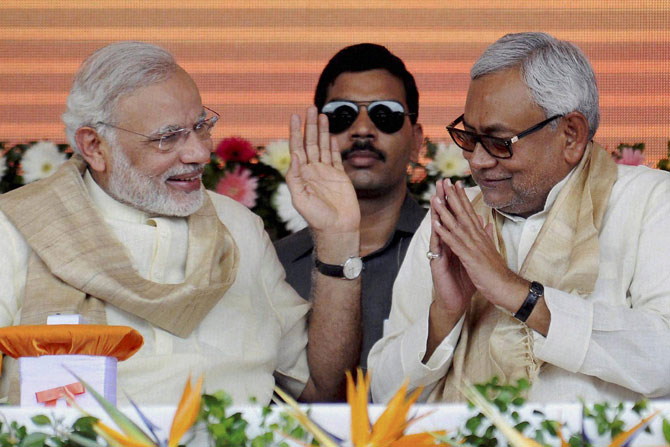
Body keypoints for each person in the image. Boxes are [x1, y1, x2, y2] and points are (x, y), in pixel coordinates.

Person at [0, 41, 361, 405]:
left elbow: (324, 389)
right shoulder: (17, 230)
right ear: (94, 146)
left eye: (201, 126)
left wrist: (338, 237)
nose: (200, 153)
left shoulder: (237, 228)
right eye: (167, 138)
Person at [368, 32, 670, 403]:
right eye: (469, 137)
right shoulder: (452, 222)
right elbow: (382, 395)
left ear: (571, 135)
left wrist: (518, 294)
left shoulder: (649, 202)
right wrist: (444, 316)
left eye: (499, 142)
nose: (478, 160)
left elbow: (664, 357)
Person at [274, 43, 426, 368]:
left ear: (416, 141)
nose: (362, 130)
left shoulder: (453, 250)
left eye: (385, 115)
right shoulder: (275, 264)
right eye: (341, 115)